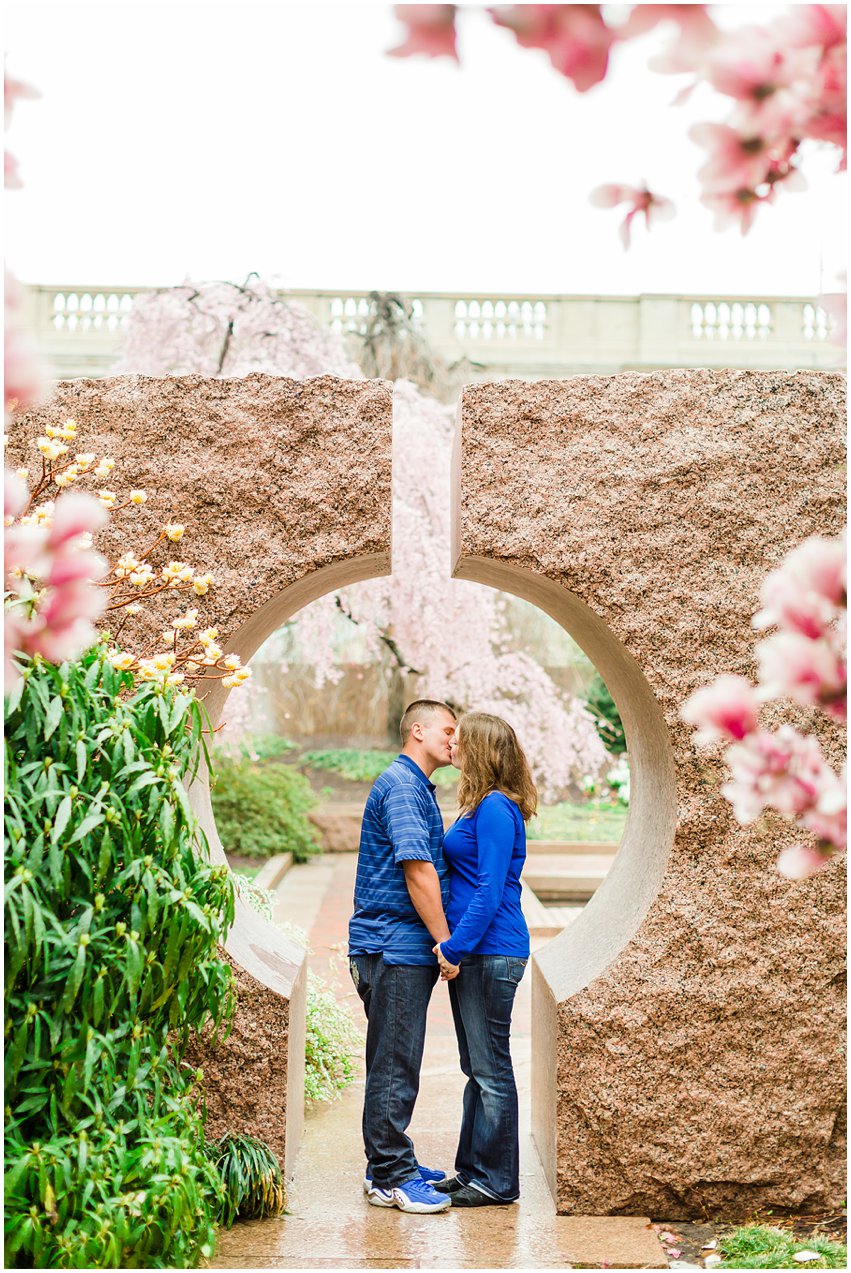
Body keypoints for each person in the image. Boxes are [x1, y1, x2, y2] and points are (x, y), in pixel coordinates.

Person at [348, 698, 459, 1214]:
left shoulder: (414, 786)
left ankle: (390, 1162)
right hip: (393, 946)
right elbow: (418, 869)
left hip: (394, 946)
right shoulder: (402, 787)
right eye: (448, 730)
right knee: (395, 1063)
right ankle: (391, 1175)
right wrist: (444, 942)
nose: (456, 740)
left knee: (393, 1059)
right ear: (418, 730)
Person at [433, 712, 536, 1207]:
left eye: (459, 737)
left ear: (480, 749)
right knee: (476, 1065)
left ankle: (497, 1182)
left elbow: (490, 889)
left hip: (491, 951)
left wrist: (453, 948)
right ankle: (472, 1171)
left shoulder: (496, 807)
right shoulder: (479, 806)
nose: (451, 743)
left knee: (491, 1068)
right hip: (480, 951)